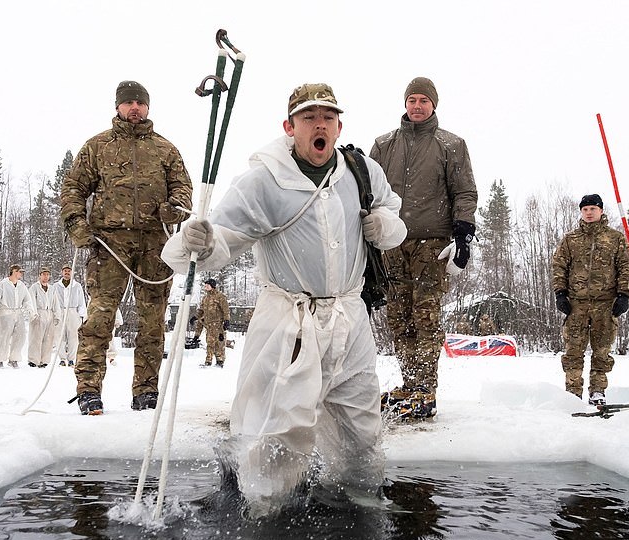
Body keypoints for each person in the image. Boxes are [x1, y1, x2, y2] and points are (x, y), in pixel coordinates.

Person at [162, 82, 406, 511]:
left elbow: (391, 211)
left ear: (339, 125)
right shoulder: (263, 181)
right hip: (288, 322)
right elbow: (217, 246)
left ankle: (358, 498)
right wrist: (194, 241)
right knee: (277, 429)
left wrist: (385, 226)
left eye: (328, 118)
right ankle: (265, 510)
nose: (320, 125)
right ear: (289, 127)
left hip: (350, 319)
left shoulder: (361, 171)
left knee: (361, 426)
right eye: (309, 118)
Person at [61, 80, 193, 415]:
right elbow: (73, 188)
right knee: (100, 317)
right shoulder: (97, 147)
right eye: (128, 102)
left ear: (148, 107)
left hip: (155, 245)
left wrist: (175, 207)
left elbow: (183, 187)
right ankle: (89, 388)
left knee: (152, 321)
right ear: (118, 106)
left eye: (140, 102)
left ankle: (146, 391)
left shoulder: (165, 150)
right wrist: (77, 225)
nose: (134, 107)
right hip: (110, 244)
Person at [370, 76, 477, 419]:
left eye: (424, 101)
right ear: (405, 103)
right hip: (391, 242)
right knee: (399, 317)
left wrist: (463, 236)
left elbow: (464, 192)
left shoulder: (451, 144)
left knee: (426, 316)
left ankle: (425, 388)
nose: (417, 106)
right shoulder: (384, 145)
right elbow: (367, 193)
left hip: (432, 244)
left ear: (434, 105)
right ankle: (409, 382)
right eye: (412, 99)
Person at [551, 193, 629, 406]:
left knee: (602, 351)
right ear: (581, 212)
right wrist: (560, 293)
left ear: (601, 211)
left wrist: (624, 294)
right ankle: (572, 393)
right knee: (573, 351)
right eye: (585, 209)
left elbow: (625, 267)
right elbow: (559, 266)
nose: (588, 213)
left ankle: (598, 391)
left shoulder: (615, 238)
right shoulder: (571, 239)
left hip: (605, 304)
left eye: (593, 209)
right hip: (576, 305)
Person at [0, 264, 37, 369]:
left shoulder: (21, 285)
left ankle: (13, 359)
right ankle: (0, 360)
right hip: (5, 313)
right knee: (3, 337)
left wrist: (30, 311)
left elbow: (27, 299)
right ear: (14, 271)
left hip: (17, 313)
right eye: (19, 272)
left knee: (20, 336)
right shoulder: (3, 284)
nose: (21, 274)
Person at [53, 263, 87, 367]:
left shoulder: (77, 286)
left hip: (73, 312)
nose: (67, 273)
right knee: (59, 336)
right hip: (60, 311)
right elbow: (53, 301)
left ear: (72, 272)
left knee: (73, 337)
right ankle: (62, 359)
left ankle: (71, 359)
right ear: (62, 272)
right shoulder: (56, 286)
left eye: (69, 271)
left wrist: (82, 315)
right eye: (65, 271)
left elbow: (81, 301)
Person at [28, 266, 61, 368]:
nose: (46, 277)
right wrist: (33, 314)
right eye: (44, 274)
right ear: (40, 276)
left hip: (49, 313)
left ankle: (44, 360)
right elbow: (31, 301)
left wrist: (57, 315)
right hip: (39, 313)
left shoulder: (52, 289)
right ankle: (33, 360)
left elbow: (56, 303)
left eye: (47, 275)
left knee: (48, 338)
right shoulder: (34, 287)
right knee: (36, 338)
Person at [195, 278, 231, 368]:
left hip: (218, 325)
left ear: (212, 286)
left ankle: (220, 360)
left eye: (207, 285)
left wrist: (227, 320)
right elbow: (201, 311)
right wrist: (195, 317)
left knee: (219, 343)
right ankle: (208, 361)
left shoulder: (220, 296)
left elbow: (226, 310)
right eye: (205, 285)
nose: (205, 286)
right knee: (209, 343)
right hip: (209, 325)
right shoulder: (205, 298)